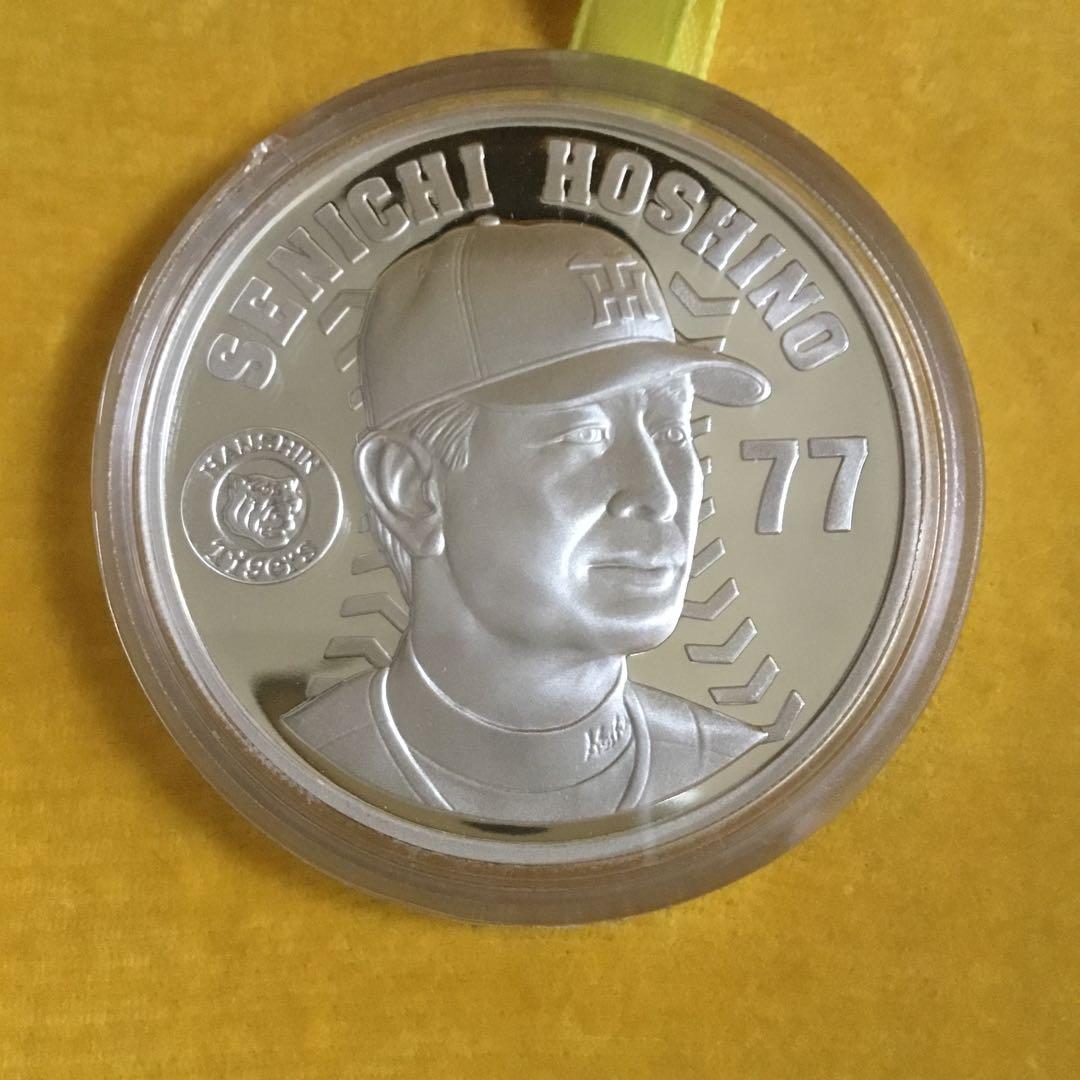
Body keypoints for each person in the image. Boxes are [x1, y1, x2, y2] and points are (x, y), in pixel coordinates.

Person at [280, 217, 772, 823]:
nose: (658, 494)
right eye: (583, 435)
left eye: (671, 431)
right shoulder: (299, 763)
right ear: (411, 491)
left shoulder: (737, 765)